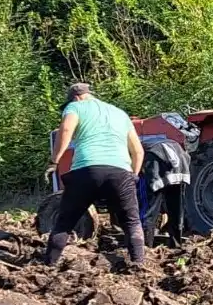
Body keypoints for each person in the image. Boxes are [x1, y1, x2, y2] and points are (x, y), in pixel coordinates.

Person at [44, 83, 146, 267]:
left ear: (76, 97)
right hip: (120, 172)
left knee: (65, 222)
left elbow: (66, 130)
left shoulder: (75, 106)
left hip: (86, 170)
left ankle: (48, 265)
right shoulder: (119, 113)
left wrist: (54, 161)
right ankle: (139, 264)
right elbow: (138, 151)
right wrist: (133, 176)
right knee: (131, 221)